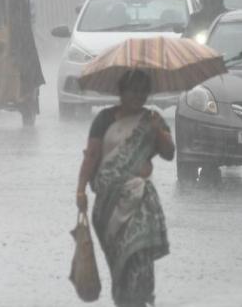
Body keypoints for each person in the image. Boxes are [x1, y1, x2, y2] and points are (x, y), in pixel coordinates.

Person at [75, 70, 175, 307]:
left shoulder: (153, 119)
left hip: (140, 203)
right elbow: (91, 156)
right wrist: (80, 190)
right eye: (133, 90)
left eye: (143, 91)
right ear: (122, 91)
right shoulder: (104, 119)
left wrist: (157, 130)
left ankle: (137, 303)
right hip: (108, 208)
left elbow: (170, 153)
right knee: (119, 265)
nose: (138, 96)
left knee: (138, 260)